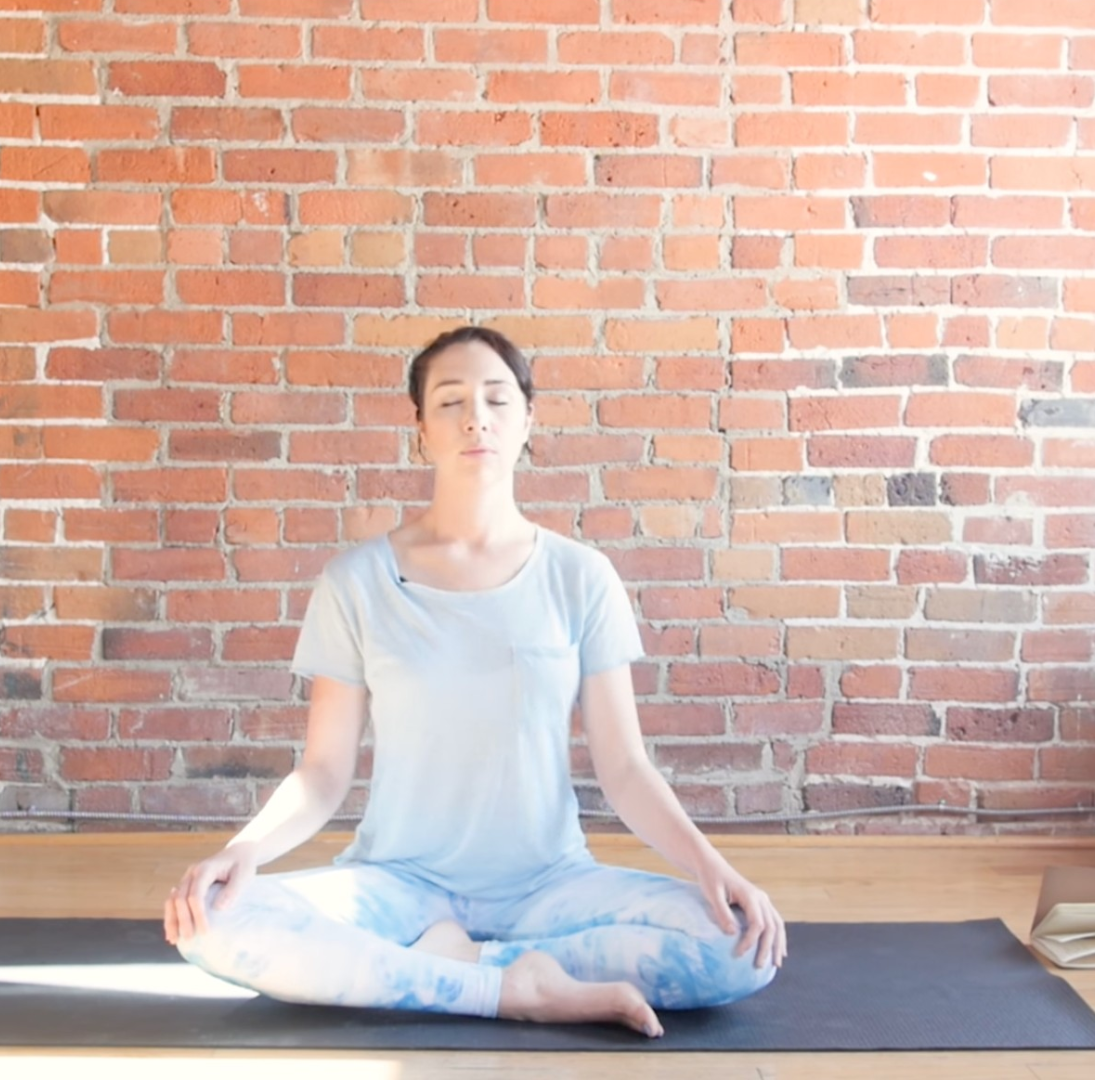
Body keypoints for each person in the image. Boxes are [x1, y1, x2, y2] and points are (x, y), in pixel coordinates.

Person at [164, 325, 784, 1037]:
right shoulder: (355, 582)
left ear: (528, 420)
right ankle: (509, 988)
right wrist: (243, 849)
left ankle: (450, 968)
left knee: (740, 948)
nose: (475, 419)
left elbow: (624, 766)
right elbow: (323, 772)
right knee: (213, 922)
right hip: (398, 886)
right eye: (450, 401)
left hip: (550, 889)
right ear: (421, 429)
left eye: (496, 399)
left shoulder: (581, 577)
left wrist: (710, 865)